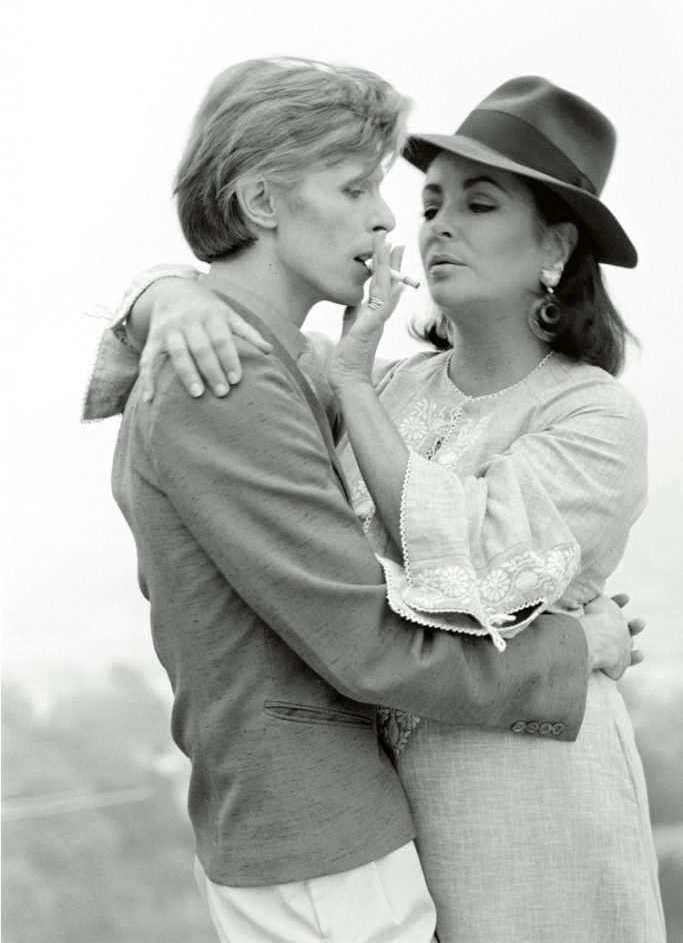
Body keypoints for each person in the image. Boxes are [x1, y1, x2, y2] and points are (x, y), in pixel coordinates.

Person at [84, 60, 640, 943]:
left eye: (478, 205)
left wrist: (179, 298)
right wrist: (165, 295)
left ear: (555, 249)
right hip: (351, 812)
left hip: (524, 785)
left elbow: (470, 570)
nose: (408, 225)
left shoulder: (584, 411)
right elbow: (364, 637)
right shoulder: (317, 381)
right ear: (266, 204)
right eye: (413, 201)